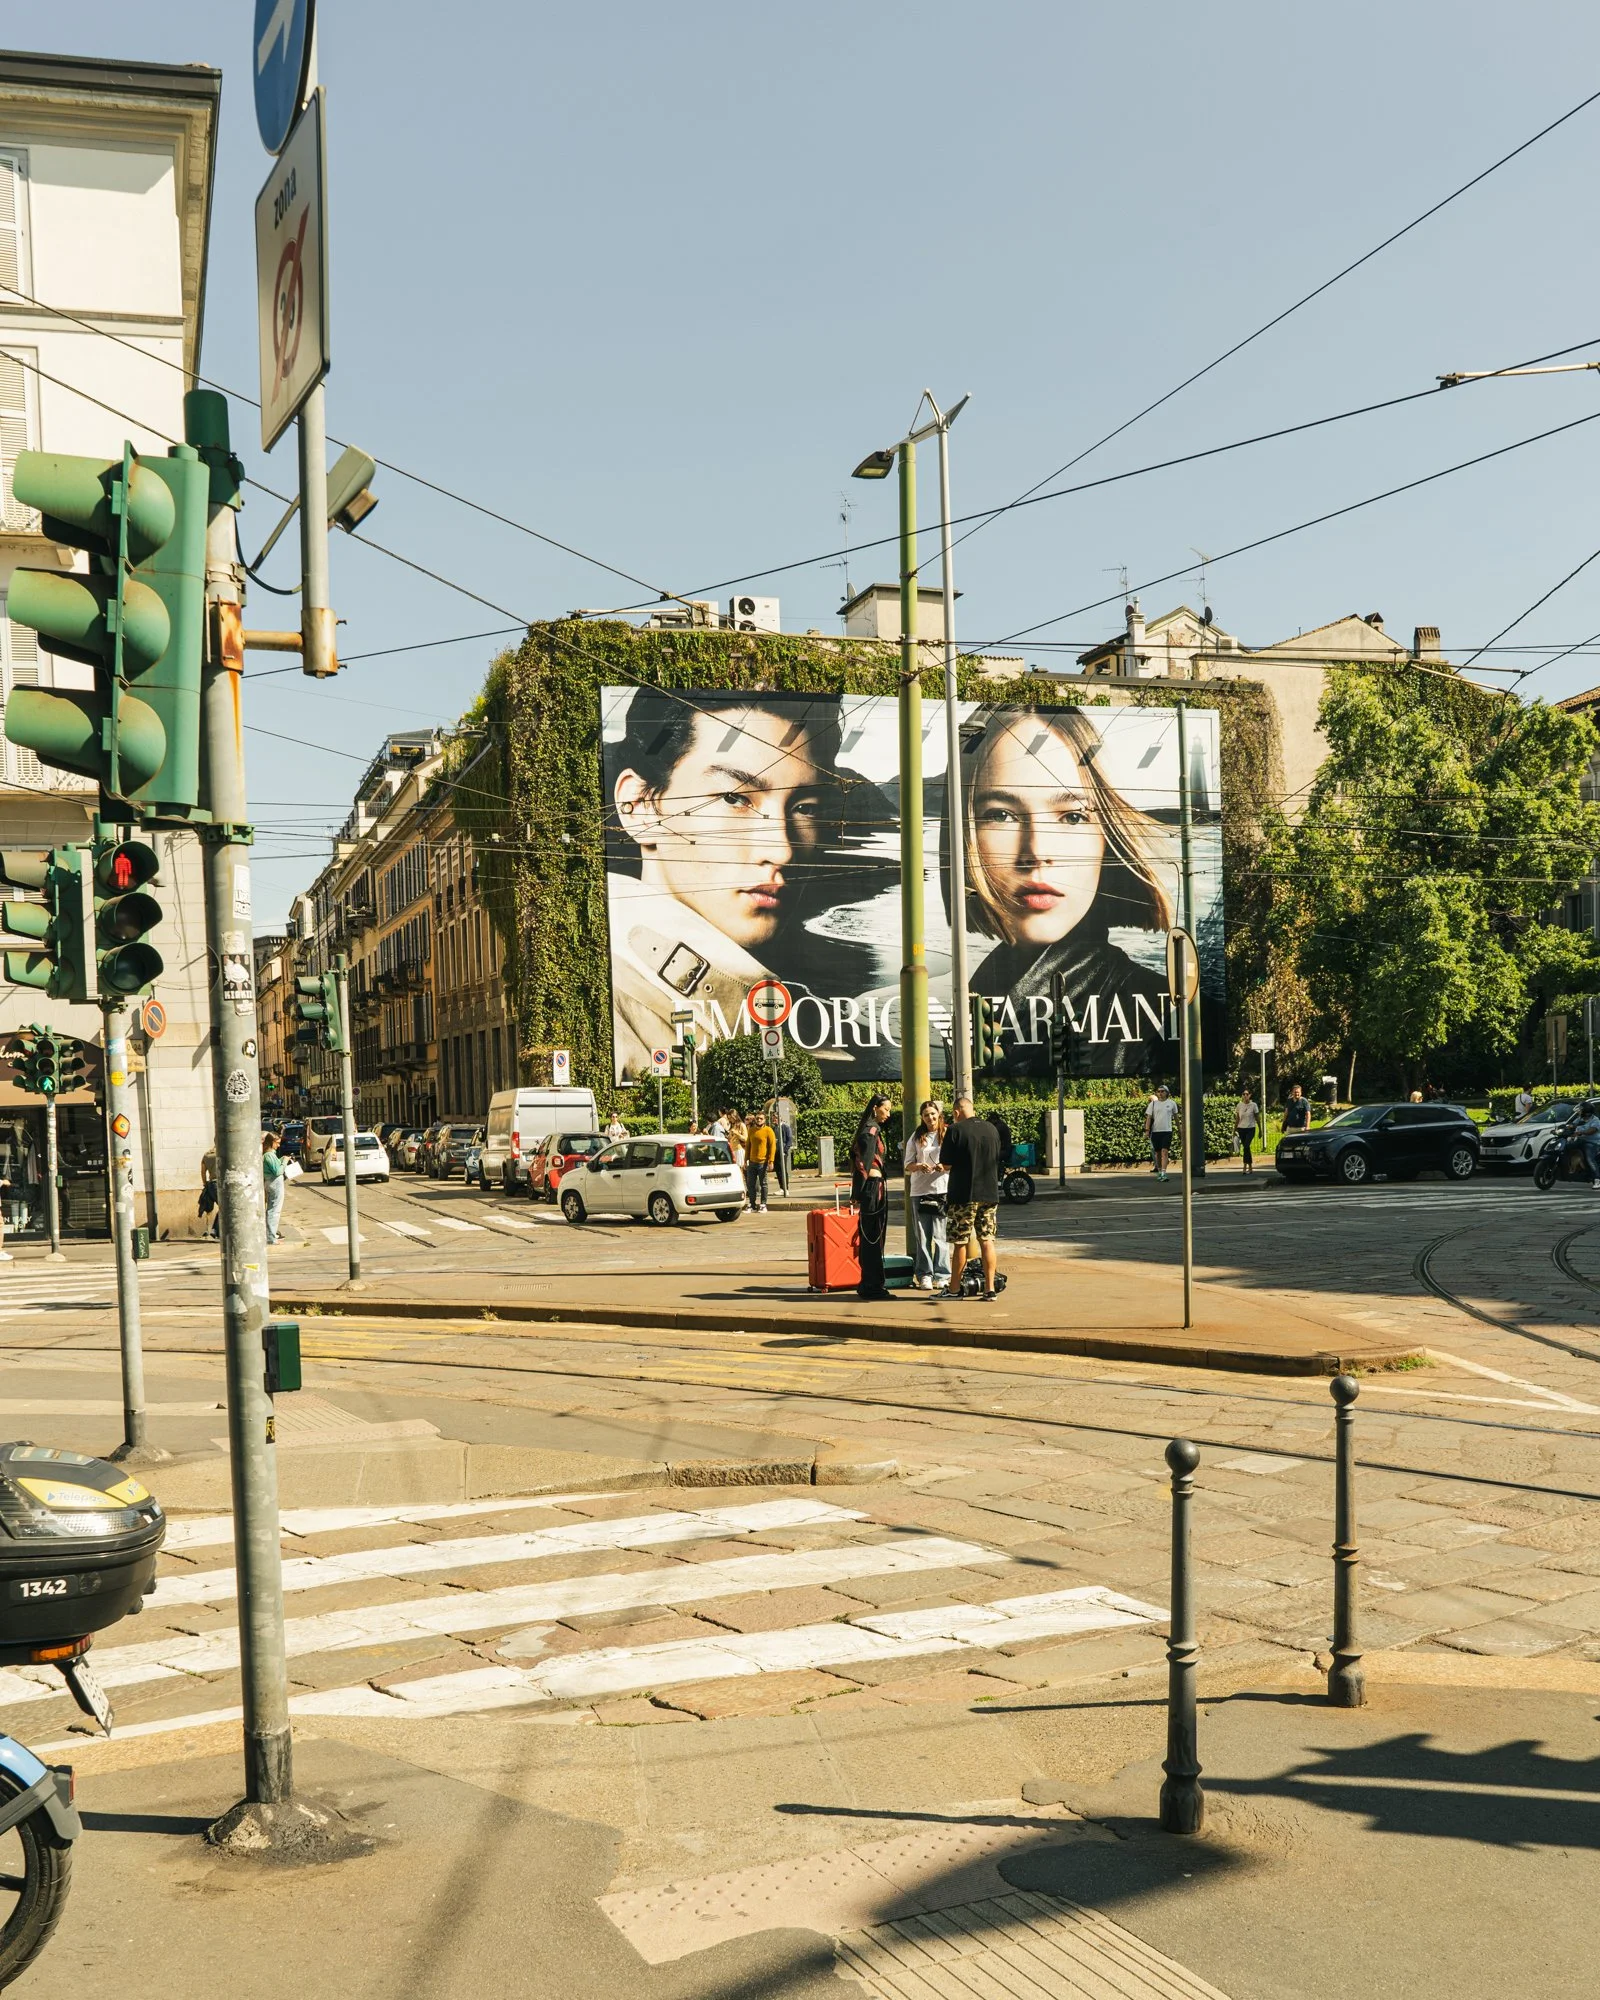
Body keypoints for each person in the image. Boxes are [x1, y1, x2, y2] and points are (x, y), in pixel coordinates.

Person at [604, 691, 845, 1076]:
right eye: (735, 798)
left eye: (805, 808)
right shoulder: (616, 1010)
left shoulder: (792, 1007)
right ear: (641, 807)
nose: (782, 849)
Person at [952, 706, 1176, 1074]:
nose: (1036, 852)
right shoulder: (981, 988)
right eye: (1001, 815)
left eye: (1072, 816)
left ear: (1107, 835)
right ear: (963, 834)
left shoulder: (1164, 1011)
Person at [940, 1097, 1002, 1300]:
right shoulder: (992, 1130)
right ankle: (990, 1289)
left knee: (960, 1241)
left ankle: (955, 1289)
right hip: (990, 1193)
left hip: (963, 1195)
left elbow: (946, 1164)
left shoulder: (955, 1130)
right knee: (987, 1240)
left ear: (957, 1112)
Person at [903, 1100, 950, 1292]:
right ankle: (924, 1275)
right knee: (922, 1236)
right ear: (921, 1117)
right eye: (926, 1115)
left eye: (933, 1114)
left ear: (939, 1114)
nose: (930, 1118)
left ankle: (943, 1275)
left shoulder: (948, 1133)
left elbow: (956, 1160)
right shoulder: (916, 1136)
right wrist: (918, 1166)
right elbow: (907, 1165)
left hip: (941, 1190)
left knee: (941, 1235)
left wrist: (944, 1166)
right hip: (920, 1191)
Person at [850, 1095, 894, 1301]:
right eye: (886, 1109)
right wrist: (857, 1194)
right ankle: (872, 1285)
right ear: (876, 1108)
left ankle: (869, 1283)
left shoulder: (869, 1129)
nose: (888, 1114)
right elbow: (863, 1165)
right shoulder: (871, 1131)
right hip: (872, 1189)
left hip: (871, 1188)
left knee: (871, 1235)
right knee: (873, 1237)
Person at [745, 1111, 776, 1212]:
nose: (759, 1120)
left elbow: (772, 1146)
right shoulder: (751, 1130)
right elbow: (748, 1146)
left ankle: (763, 1204)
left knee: (763, 1184)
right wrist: (746, 1160)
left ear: (764, 1120)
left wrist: (771, 1161)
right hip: (752, 1161)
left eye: (761, 1118)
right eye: (757, 1118)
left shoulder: (768, 1131)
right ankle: (752, 1204)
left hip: (763, 1162)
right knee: (750, 1184)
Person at [1146, 1084, 1176, 1181]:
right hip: (1156, 1132)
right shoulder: (1153, 1104)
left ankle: (1163, 1172)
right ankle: (1159, 1171)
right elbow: (1149, 1118)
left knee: (1164, 1151)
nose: (1160, 1093)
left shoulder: (1172, 1103)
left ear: (1167, 1093)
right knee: (1158, 1153)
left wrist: (1180, 1131)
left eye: (1162, 1091)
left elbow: (1175, 1118)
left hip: (1167, 1131)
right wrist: (1147, 1131)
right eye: (1158, 1091)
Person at [262, 1130, 286, 1245]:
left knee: (273, 1209)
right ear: (271, 1142)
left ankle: (271, 1234)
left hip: (271, 1183)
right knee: (274, 1210)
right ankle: (271, 1237)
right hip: (274, 1184)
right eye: (277, 1143)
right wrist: (284, 1162)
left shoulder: (270, 1155)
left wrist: (281, 1160)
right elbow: (277, 1171)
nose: (278, 1145)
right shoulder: (269, 1155)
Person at [772, 1093, 797, 1195]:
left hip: (782, 1152)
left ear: (779, 1118)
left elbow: (789, 1140)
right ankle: (781, 1187)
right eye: (773, 1119)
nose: (774, 1120)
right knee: (778, 1170)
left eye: (775, 1118)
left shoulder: (785, 1127)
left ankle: (786, 1188)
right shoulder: (774, 1128)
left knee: (783, 1170)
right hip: (776, 1152)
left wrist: (785, 1151)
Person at [1235, 1088, 1259, 1174]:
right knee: (1246, 1148)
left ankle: (1245, 1166)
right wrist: (1234, 1130)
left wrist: (1260, 1130)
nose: (1245, 1096)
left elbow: (1257, 1117)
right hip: (1241, 1129)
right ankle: (1250, 1167)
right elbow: (1237, 1118)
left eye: (1247, 1094)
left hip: (1250, 1128)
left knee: (1246, 1146)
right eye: (1243, 1094)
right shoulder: (1239, 1105)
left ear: (1250, 1095)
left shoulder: (1253, 1105)